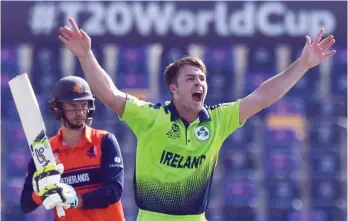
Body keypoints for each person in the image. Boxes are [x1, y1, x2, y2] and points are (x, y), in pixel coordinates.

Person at [58, 17, 336, 221]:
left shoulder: (218, 120)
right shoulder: (151, 117)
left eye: (202, 79)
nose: (199, 83)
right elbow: (109, 94)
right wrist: (86, 55)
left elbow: (263, 96)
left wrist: (303, 64)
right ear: (174, 88)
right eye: (191, 79)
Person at [20, 76, 125, 221]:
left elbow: (113, 191)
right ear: (58, 109)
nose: (80, 112)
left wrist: (76, 200)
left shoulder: (104, 141)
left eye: (84, 105)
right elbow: (25, 204)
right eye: (73, 106)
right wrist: (41, 192)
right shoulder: (45, 151)